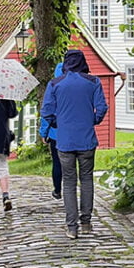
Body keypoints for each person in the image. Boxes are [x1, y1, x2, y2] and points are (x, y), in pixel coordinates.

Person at [41, 50, 108, 239]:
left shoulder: (55, 84)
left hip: (65, 140)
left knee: (68, 182)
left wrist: (56, 122)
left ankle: (72, 226)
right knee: (86, 179)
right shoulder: (93, 82)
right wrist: (93, 120)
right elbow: (102, 107)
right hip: (87, 139)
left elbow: (46, 111)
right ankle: (86, 221)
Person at [39, 62, 64, 200]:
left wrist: (44, 132)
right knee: (72, 162)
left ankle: (57, 189)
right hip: (74, 131)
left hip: (56, 132)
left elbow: (47, 111)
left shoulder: (53, 86)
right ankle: (70, 189)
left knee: (57, 162)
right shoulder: (77, 84)